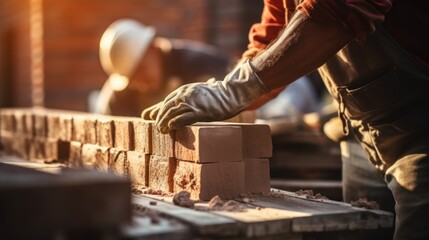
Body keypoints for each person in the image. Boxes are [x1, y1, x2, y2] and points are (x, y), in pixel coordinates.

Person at [143, 1, 429, 239]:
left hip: (420, 134)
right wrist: (228, 100)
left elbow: (339, 9)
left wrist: (233, 92)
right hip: (361, 137)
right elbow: (269, 44)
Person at [94, 19, 231, 116]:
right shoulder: (118, 96)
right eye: (132, 79)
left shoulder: (202, 65)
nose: (140, 82)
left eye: (141, 69)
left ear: (153, 48)